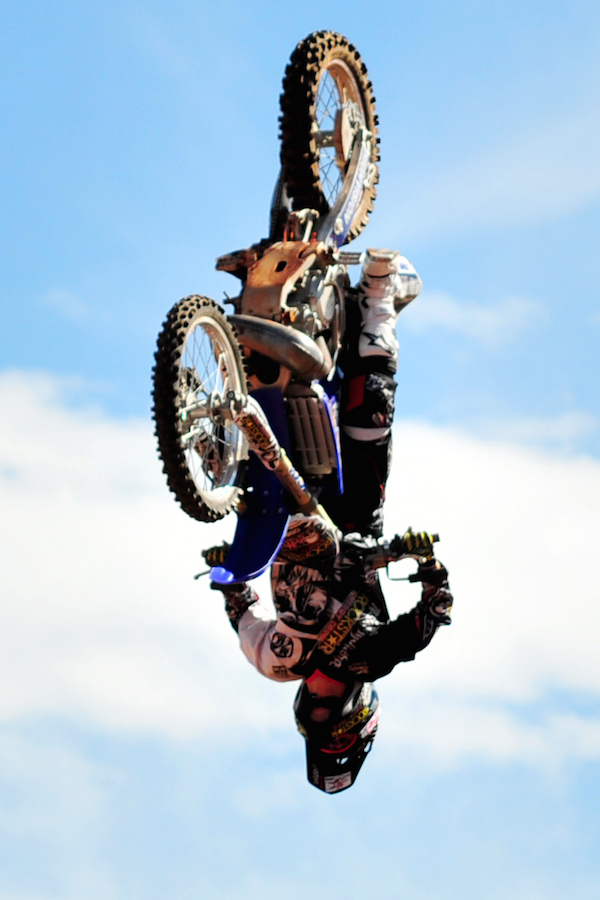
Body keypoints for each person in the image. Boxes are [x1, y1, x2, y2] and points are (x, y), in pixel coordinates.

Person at [211, 250, 454, 794]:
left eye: (313, 722)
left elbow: (244, 618)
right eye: (328, 719)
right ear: (351, 715)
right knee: (372, 410)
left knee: (220, 466)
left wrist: (223, 574)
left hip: (282, 529)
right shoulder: (371, 655)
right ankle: (378, 296)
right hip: (353, 520)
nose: (317, 709)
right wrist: (426, 563)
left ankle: (224, 343)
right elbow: (432, 618)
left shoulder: (276, 663)